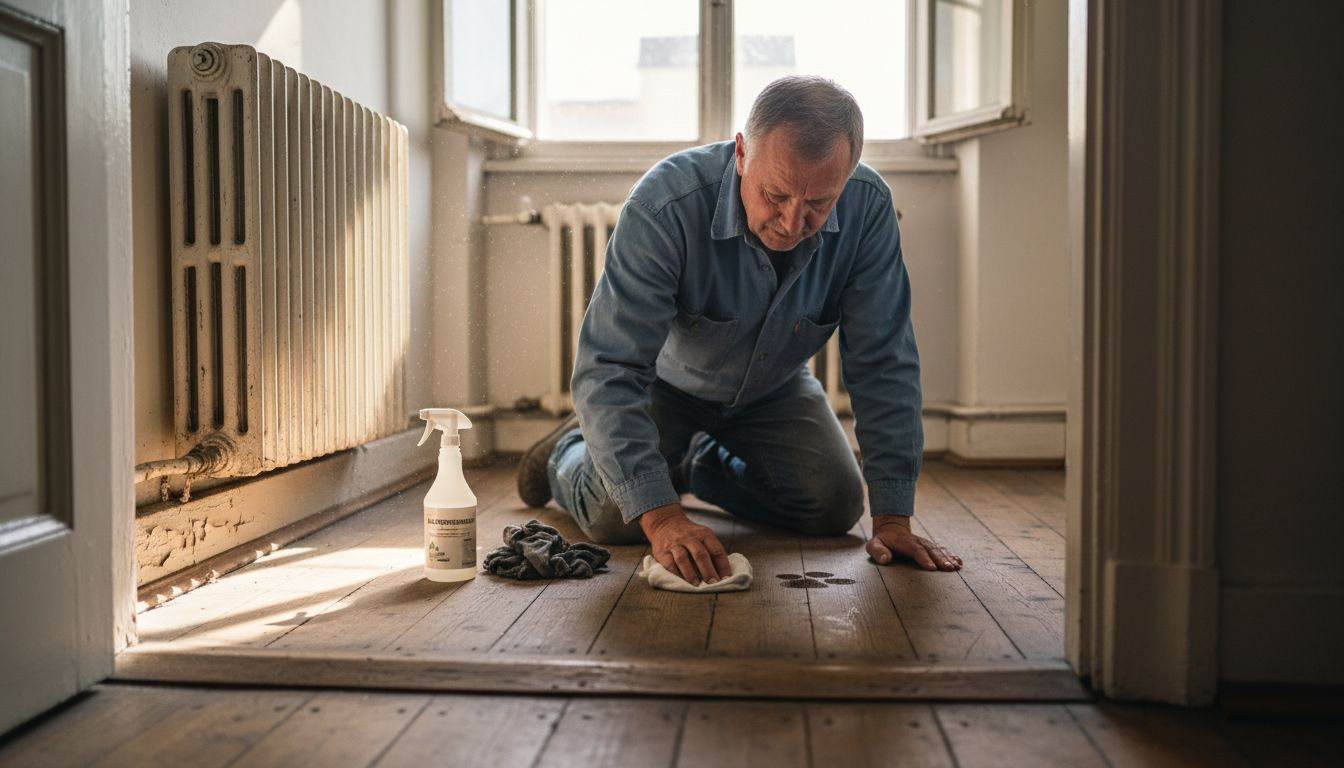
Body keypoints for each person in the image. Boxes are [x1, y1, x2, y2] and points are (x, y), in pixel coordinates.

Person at [516, 75, 962, 585]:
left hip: (775, 387)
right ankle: (565, 452)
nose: (793, 224)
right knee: (614, 515)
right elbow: (610, 366)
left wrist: (892, 518)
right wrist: (660, 516)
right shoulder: (664, 205)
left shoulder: (870, 208)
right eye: (776, 194)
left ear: (849, 175)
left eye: (820, 203)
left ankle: (694, 463)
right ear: (742, 154)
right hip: (668, 384)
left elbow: (884, 360)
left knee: (833, 506)